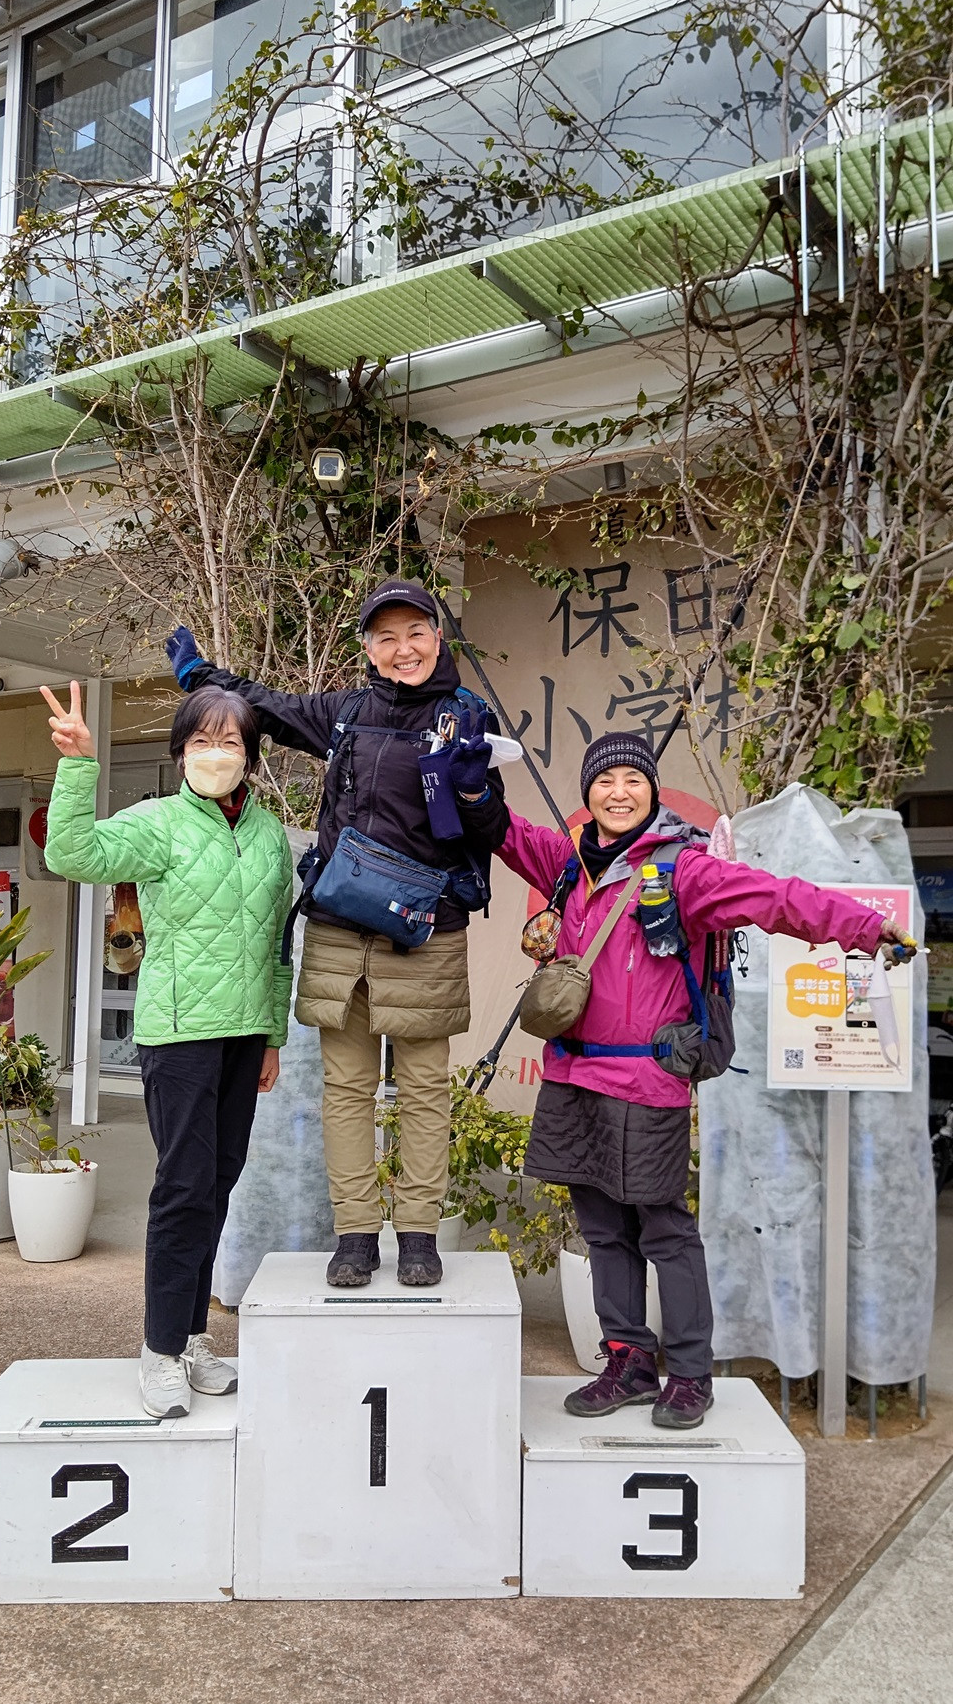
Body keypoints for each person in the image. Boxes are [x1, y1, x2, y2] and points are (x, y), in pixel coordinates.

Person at [496, 731, 914, 1429]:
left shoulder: (684, 869)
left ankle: (689, 1371)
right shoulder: (569, 864)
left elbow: (778, 899)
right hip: (573, 1072)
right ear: (588, 792)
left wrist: (866, 929)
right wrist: (462, 772)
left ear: (652, 791)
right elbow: (500, 830)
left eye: (634, 779)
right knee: (602, 1230)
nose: (619, 790)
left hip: (646, 1078)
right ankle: (627, 1359)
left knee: (663, 1230)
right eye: (605, 780)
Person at [165, 579, 509, 1290]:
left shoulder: (465, 715)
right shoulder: (349, 711)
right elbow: (273, 709)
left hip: (427, 929)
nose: (402, 648)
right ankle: (355, 1233)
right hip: (341, 925)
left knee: (422, 1088)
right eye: (385, 637)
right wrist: (205, 680)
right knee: (346, 1088)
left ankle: (418, 1233)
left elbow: (489, 832)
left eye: (415, 632)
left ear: (438, 637)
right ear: (368, 648)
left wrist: (475, 789)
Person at [41, 680, 294, 1420]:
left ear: (250, 756)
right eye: (204, 740)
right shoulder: (158, 823)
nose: (218, 753)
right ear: (181, 750)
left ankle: (190, 1339)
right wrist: (79, 765)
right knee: (182, 1188)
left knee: (217, 1185)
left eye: (232, 742)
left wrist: (273, 1033)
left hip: (245, 1036)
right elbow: (71, 850)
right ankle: (157, 1350)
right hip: (178, 1034)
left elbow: (278, 944)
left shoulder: (270, 832)